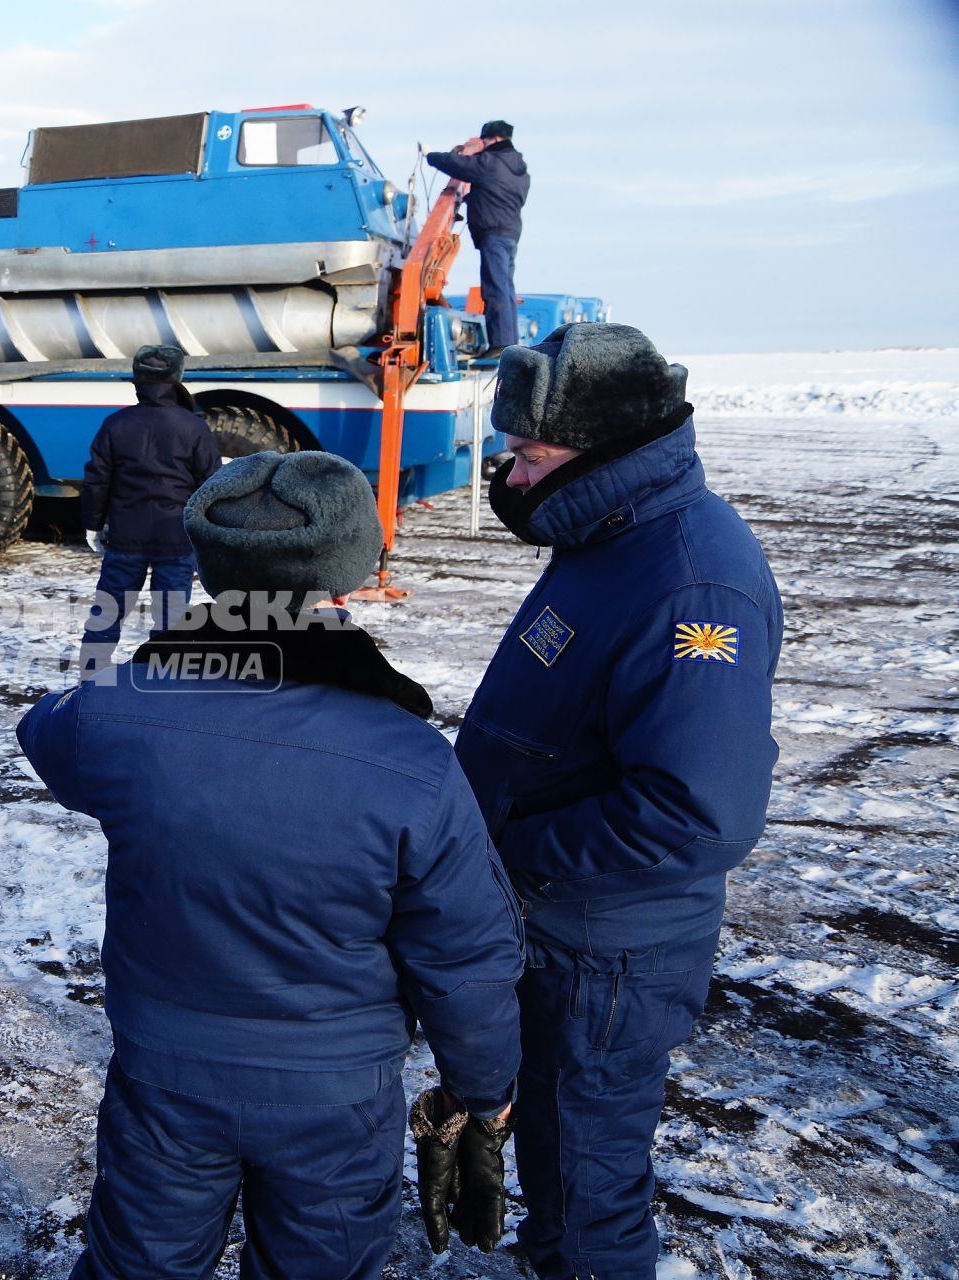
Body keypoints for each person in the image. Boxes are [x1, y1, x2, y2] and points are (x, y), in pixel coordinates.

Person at [19, 450, 526, 1279]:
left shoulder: (119, 712)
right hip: (333, 1094)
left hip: (165, 1076)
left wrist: (154, 669)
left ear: (213, 565)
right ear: (352, 574)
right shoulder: (412, 759)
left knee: (139, 1264)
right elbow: (464, 957)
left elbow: (46, 728)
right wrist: (484, 1092)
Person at [456, 323, 782, 1280]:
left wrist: (510, 840)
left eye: (531, 455)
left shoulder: (691, 582)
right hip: (557, 920)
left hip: (605, 953)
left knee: (586, 1182)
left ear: (603, 452)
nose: (512, 478)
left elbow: (699, 812)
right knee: (556, 1159)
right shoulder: (609, 530)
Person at [74, 343, 221, 670]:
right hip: (177, 539)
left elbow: (97, 479)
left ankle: (89, 681)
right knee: (170, 624)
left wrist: (93, 524)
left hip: (126, 538)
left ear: (138, 381)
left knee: (107, 615)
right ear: (177, 379)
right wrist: (207, 533)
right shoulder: (194, 428)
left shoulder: (116, 424)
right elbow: (210, 485)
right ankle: (160, 690)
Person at [427, 120, 529, 357]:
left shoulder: (491, 163)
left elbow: (458, 165)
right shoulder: (520, 170)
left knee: (494, 287)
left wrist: (430, 155)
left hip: (493, 232)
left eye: (484, 141)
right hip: (510, 232)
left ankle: (500, 344)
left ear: (492, 139)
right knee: (505, 287)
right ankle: (509, 342)